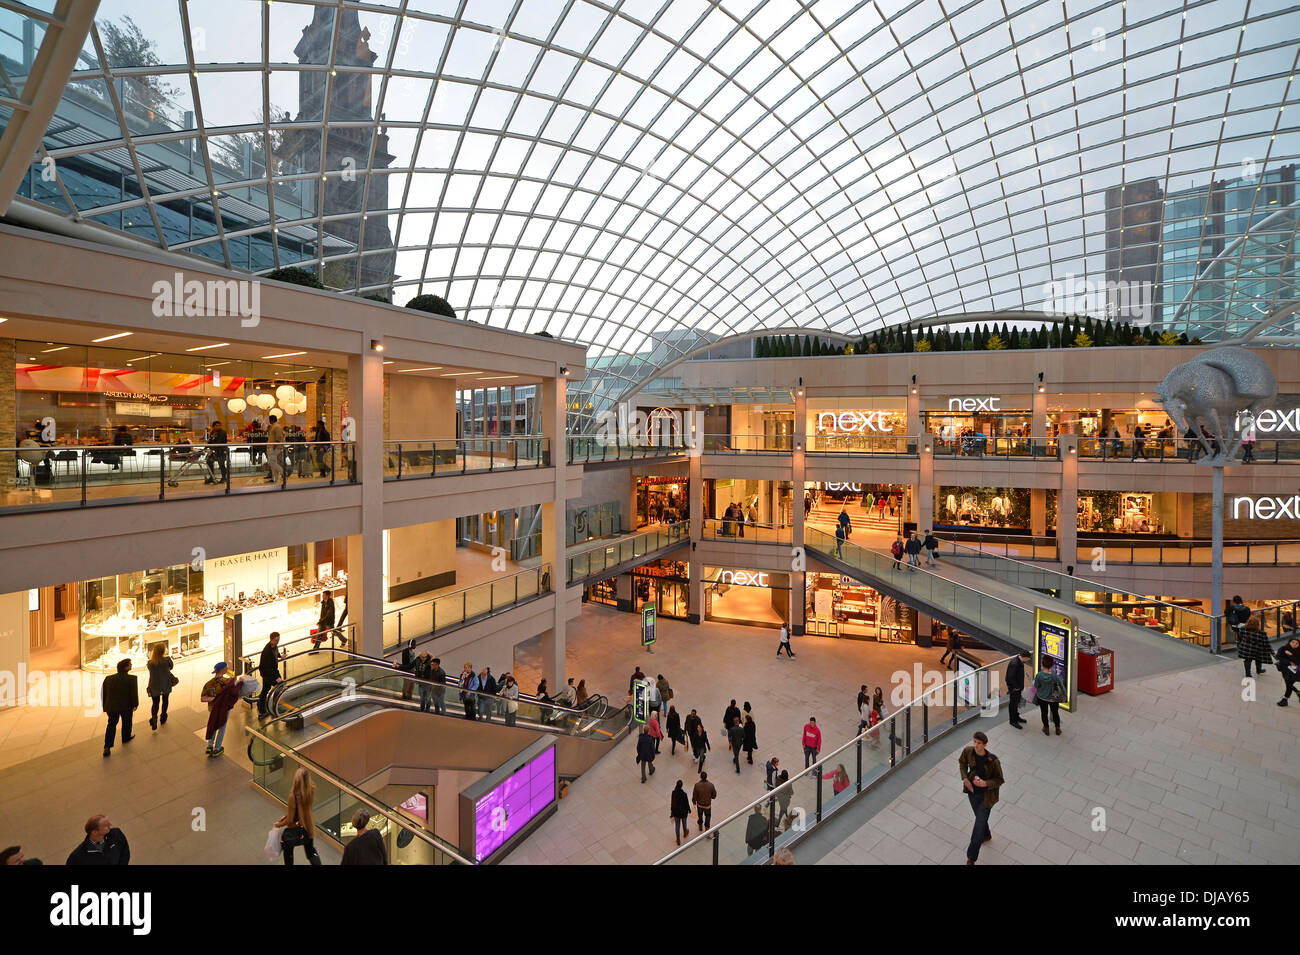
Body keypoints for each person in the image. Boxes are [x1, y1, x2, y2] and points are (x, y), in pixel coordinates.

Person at [959, 731, 1004, 864]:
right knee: (980, 820)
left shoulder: (993, 761)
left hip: (987, 797)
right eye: (975, 742)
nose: (976, 745)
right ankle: (987, 834)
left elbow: (999, 780)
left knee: (978, 825)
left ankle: (971, 858)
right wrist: (965, 778)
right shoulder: (968, 751)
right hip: (972, 793)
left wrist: (985, 783)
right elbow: (962, 763)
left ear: (985, 744)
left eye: (979, 743)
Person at [277, 767, 322, 865]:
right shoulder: (311, 789)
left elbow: (290, 819)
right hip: (308, 825)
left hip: (295, 828)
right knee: (311, 852)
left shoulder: (293, 797)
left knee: (288, 851)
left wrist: (278, 824)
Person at [202, 661, 244, 757]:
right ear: (223, 670)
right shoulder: (227, 682)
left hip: (213, 708)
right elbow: (234, 693)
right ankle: (217, 748)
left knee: (213, 724)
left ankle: (210, 745)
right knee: (222, 726)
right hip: (224, 708)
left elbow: (203, 698)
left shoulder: (209, 684)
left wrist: (214, 699)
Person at [100, 658, 138, 758]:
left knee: (111, 724)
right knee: (127, 722)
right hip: (126, 706)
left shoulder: (108, 678)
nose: (131, 666)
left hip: (112, 707)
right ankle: (126, 737)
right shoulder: (132, 679)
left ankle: (107, 747)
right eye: (130, 664)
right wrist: (135, 704)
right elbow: (133, 694)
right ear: (126, 668)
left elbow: (103, 693)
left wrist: (104, 705)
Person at [1032, 656, 1066, 736]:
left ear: (1042, 664)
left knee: (1044, 713)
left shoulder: (1039, 675)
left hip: (1042, 697)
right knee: (1055, 713)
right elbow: (1062, 687)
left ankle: (1046, 728)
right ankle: (1058, 729)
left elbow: (1036, 686)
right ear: (1052, 665)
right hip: (1053, 699)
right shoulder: (1055, 676)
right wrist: (1064, 695)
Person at [256, 631, 285, 718]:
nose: (278, 642)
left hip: (271, 671)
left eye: (278, 640)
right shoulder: (267, 651)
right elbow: (267, 668)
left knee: (266, 689)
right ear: (271, 640)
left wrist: (280, 656)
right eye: (276, 640)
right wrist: (276, 677)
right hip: (268, 673)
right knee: (279, 686)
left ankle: (264, 707)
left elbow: (276, 653)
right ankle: (273, 707)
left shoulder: (274, 646)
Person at [146, 643, 174, 730]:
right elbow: (171, 667)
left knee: (155, 703)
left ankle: (154, 719)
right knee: (165, 700)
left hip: (154, 684)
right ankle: (163, 716)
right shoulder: (167, 660)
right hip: (165, 683)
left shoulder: (150, 663)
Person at [1237, 614, 1273, 678]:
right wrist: (1272, 652)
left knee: (1247, 660)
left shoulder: (1242, 629)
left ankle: (1248, 674)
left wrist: (1241, 644)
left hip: (1245, 648)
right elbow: (1266, 643)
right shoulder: (1261, 633)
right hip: (1257, 649)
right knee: (1258, 659)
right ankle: (1258, 670)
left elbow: (1240, 637)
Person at [1006, 650, 1030, 729]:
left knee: (1015, 703)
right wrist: (1016, 687)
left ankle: (1016, 717)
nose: (1028, 660)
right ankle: (1013, 721)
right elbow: (1009, 677)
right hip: (1015, 689)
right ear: (1025, 657)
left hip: (1017, 688)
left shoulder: (1019, 662)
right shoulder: (1015, 664)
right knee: (1013, 704)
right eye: (1028, 659)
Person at [1276, 637, 1300, 706]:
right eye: (1292, 642)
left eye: (1296, 643)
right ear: (1289, 642)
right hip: (1285, 670)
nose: (1294, 644)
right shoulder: (1283, 648)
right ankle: (1298, 693)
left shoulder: (1299, 651)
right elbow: (1278, 656)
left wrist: (1291, 655)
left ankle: (1285, 700)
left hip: (1295, 672)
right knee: (1288, 684)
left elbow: (1298, 662)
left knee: (1289, 685)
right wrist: (1289, 661)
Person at [203, 420, 228, 484]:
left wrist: (211, 445)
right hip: (213, 452)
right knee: (209, 461)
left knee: (221, 464)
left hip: (221, 451)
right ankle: (212, 477)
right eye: (217, 425)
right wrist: (205, 447)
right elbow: (210, 441)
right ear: (213, 426)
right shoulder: (212, 433)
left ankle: (224, 478)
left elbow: (219, 442)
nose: (218, 427)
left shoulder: (223, 433)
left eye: (219, 425)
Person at [670, 780, 691, 846]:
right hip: (683, 812)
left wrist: (672, 812)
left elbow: (672, 803)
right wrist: (689, 809)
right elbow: (686, 803)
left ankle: (678, 838)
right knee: (684, 823)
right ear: (681, 786)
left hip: (676, 812)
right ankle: (685, 832)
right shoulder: (684, 794)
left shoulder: (674, 793)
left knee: (677, 825)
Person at [266, 412, 285, 483]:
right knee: (273, 462)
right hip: (272, 446)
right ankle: (275, 478)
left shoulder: (277, 426)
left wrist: (275, 446)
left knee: (271, 462)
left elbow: (279, 437)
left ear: (271, 420)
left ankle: (283, 472)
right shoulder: (274, 426)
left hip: (274, 447)